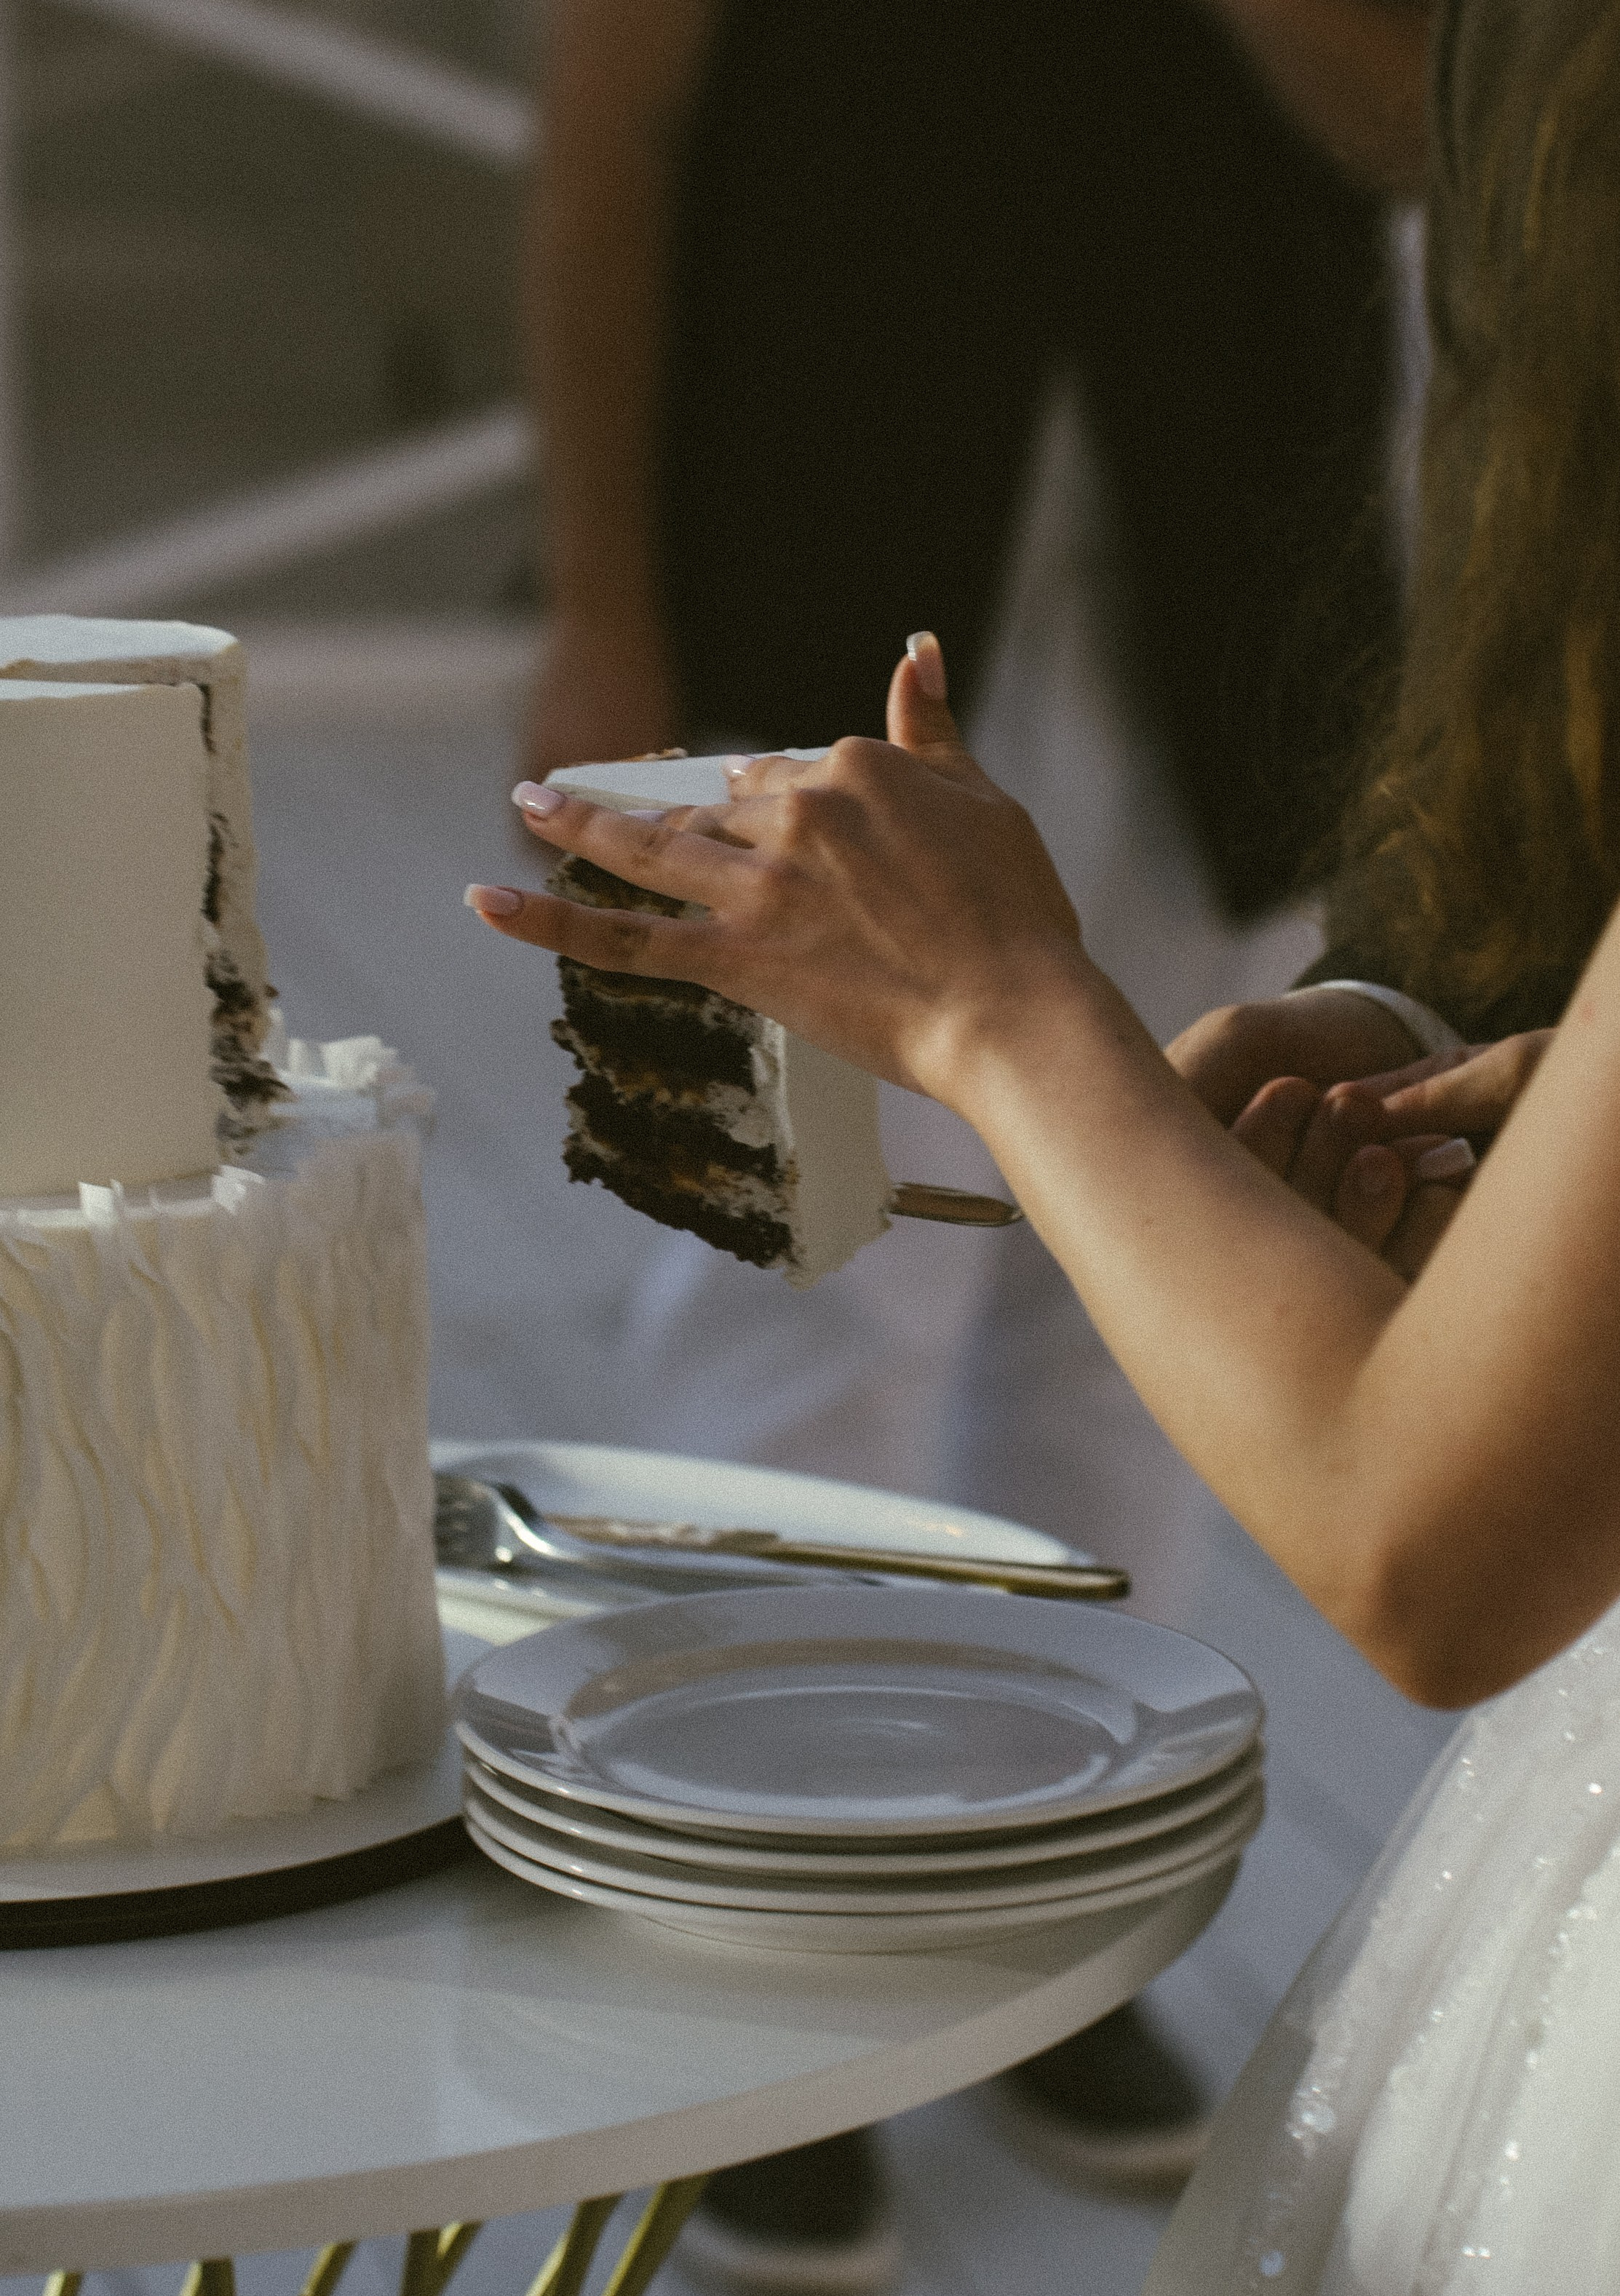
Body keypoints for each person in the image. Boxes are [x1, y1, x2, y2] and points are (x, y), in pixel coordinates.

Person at [469, 0, 1620, 2276]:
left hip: (1201, 578)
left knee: (1101, 1339)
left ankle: (1027, 1909)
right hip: (836, 504)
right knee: (810, 1312)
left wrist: (1010, 1018)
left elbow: (1427, 1545)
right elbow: (615, 106)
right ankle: (782, 1944)